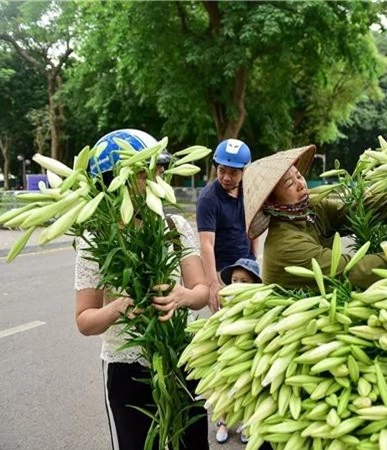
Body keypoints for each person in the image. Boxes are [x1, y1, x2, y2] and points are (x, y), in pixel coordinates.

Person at [74, 129, 210, 450]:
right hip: (126, 369)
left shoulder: (174, 227)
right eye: (151, 171)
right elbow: (84, 320)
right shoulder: (96, 241)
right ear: (117, 180)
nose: (161, 178)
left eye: (161, 171)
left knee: (191, 443)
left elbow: (201, 291)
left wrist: (183, 296)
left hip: (181, 357)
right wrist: (117, 307)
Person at [242, 145, 387, 289]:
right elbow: (354, 271)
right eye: (289, 184)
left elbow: (362, 210)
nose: (301, 184)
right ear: (271, 203)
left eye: (298, 176)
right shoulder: (286, 246)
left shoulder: (309, 211)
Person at [196, 139, 256, 313]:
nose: (226, 177)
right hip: (221, 270)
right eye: (222, 170)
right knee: (224, 321)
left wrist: (253, 258)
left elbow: (255, 225)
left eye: (233, 172)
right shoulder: (208, 199)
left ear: (245, 171)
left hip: (246, 267)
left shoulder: (249, 190)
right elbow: (206, 244)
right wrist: (213, 283)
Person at [214, 258, 262, 445]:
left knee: (247, 391)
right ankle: (223, 423)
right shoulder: (227, 303)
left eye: (244, 281)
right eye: (235, 280)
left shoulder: (258, 304)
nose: (238, 285)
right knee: (226, 389)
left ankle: (246, 424)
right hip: (228, 354)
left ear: (255, 285)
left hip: (247, 355)